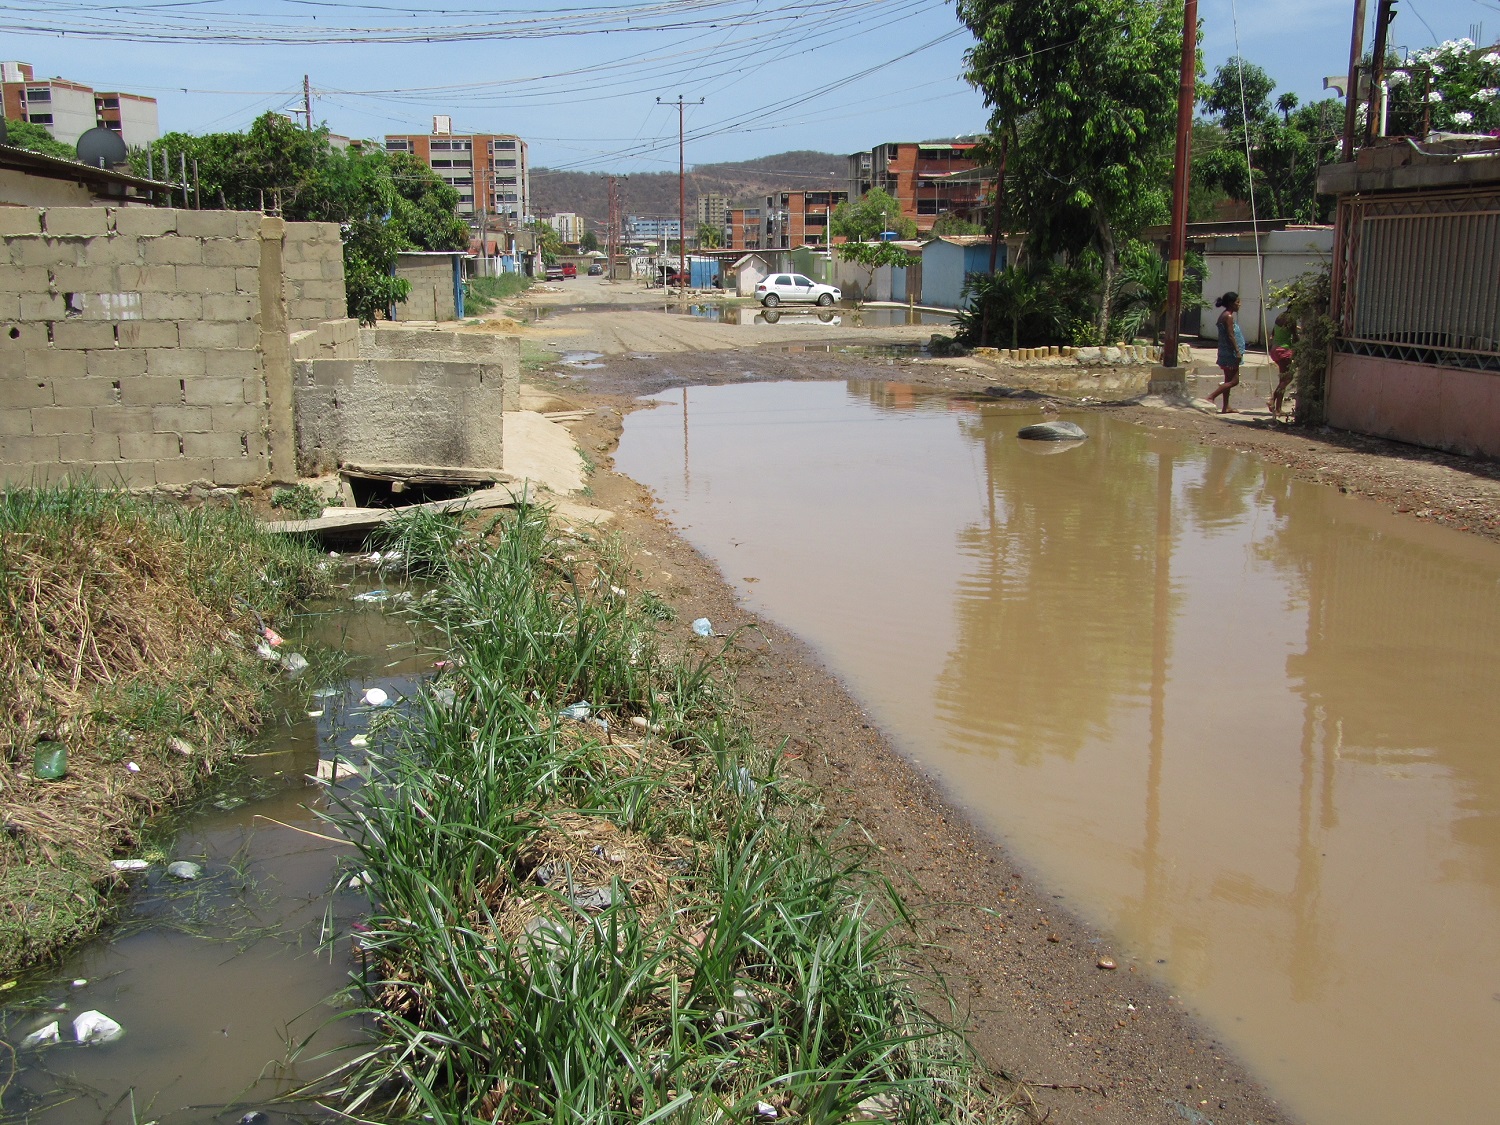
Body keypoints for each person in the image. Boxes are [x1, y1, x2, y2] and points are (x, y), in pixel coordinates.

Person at [1206, 291, 1245, 414]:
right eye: (1237, 302)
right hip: (1230, 353)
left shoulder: (1225, 315)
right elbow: (1230, 335)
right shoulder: (1228, 316)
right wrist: (1237, 351)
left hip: (1226, 352)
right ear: (1231, 303)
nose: (1239, 305)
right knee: (1234, 381)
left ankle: (1226, 406)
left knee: (1228, 379)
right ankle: (1211, 397)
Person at [1267, 309, 1298, 420]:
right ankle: (1272, 399)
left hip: (1275, 349)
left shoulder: (1280, 317)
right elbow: (1295, 338)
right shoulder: (1291, 320)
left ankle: (1278, 408)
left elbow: (1274, 334)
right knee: (1288, 378)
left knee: (1282, 380)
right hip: (1284, 351)